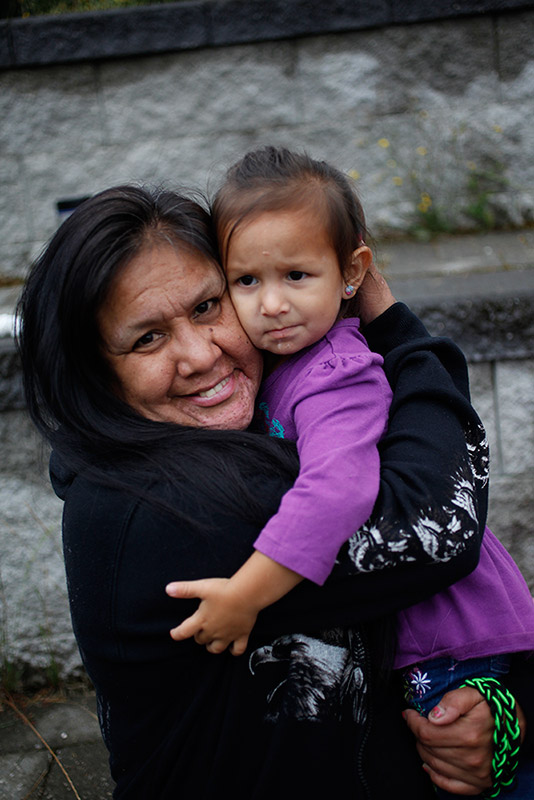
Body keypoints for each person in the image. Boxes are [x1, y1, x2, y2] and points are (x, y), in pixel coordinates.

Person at [16, 184, 531, 799]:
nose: (200, 355)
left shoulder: (262, 422)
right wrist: (393, 323)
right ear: (95, 373)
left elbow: (405, 622)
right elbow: (439, 528)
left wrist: (499, 714)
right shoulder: (167, 510)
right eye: (147, 339)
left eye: (208, 306)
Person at [166, 147, 534, 796]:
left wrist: (247, 595)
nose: (272, 304)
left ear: (351, 272)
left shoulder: (335, 373)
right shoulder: (285, 363)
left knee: (469, 765)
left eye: (297, 276)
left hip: (448, 634)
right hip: (418, 621)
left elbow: (338, 490)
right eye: (246, 281)